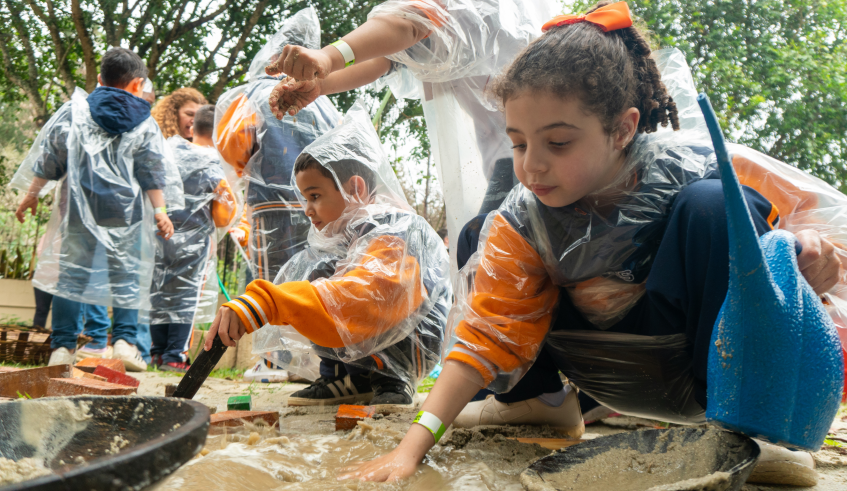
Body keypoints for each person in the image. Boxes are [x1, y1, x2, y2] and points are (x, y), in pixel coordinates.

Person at [336, 2, 845, 484]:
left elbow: (820, 226)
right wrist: (409, 449)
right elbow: (484, 337)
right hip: (600, 367)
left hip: (698, 368)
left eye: (558, 143)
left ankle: (752, 430)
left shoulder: (694, 165)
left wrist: (803, 254)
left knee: (715, 205)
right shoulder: (525, 217)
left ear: (623, 128)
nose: (531, 164)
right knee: (485, 232)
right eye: (517, 142)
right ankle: (539, 402)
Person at [264, 0, 557, 266]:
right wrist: (321, 82)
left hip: (525, 161)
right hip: (516, 159)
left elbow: (409, 24)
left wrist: (328, 58)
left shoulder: (475, 9)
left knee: (491, 266)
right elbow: (388, 57)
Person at [206, 100, 451, 408]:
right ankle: (345, 377)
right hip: (371, 331)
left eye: (316, 196)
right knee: (317, 271)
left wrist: (268, 302)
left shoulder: (392, 231)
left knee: (334, 285)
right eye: (305, 198)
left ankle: (391, 379)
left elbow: (365, 299)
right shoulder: (346, 234)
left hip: (410, 339)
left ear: (356, 189)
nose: (307, 209)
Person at [12, 47, 183, 370]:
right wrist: (160, 211)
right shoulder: (144, 120)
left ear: (101, 78)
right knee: (127, 276)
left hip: (78, 210)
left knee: (71, 277)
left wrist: (32, 194)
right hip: (127, 215)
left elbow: (50, 158)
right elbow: (152, 170)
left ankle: (62, 349)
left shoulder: (74, 111)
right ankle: (124, 344)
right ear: (136, 83)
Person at [215, 7, 341, 383]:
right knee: (311, 279)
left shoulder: (252, 94)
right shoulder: (326, 101)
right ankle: (314, 359)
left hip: (268, 206)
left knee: (271, 281)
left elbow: (232, 148)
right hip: (316, 203)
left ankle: (276, 361)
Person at [149, 105, 237, 372]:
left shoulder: (169, 151)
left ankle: (156, 353)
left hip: (160, 233)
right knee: (186, 296)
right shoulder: (213, 163)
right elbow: (224, 215)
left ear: (193, 127)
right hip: (194, 242)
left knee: (159, 291)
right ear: (219, 130)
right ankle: (175, 356)